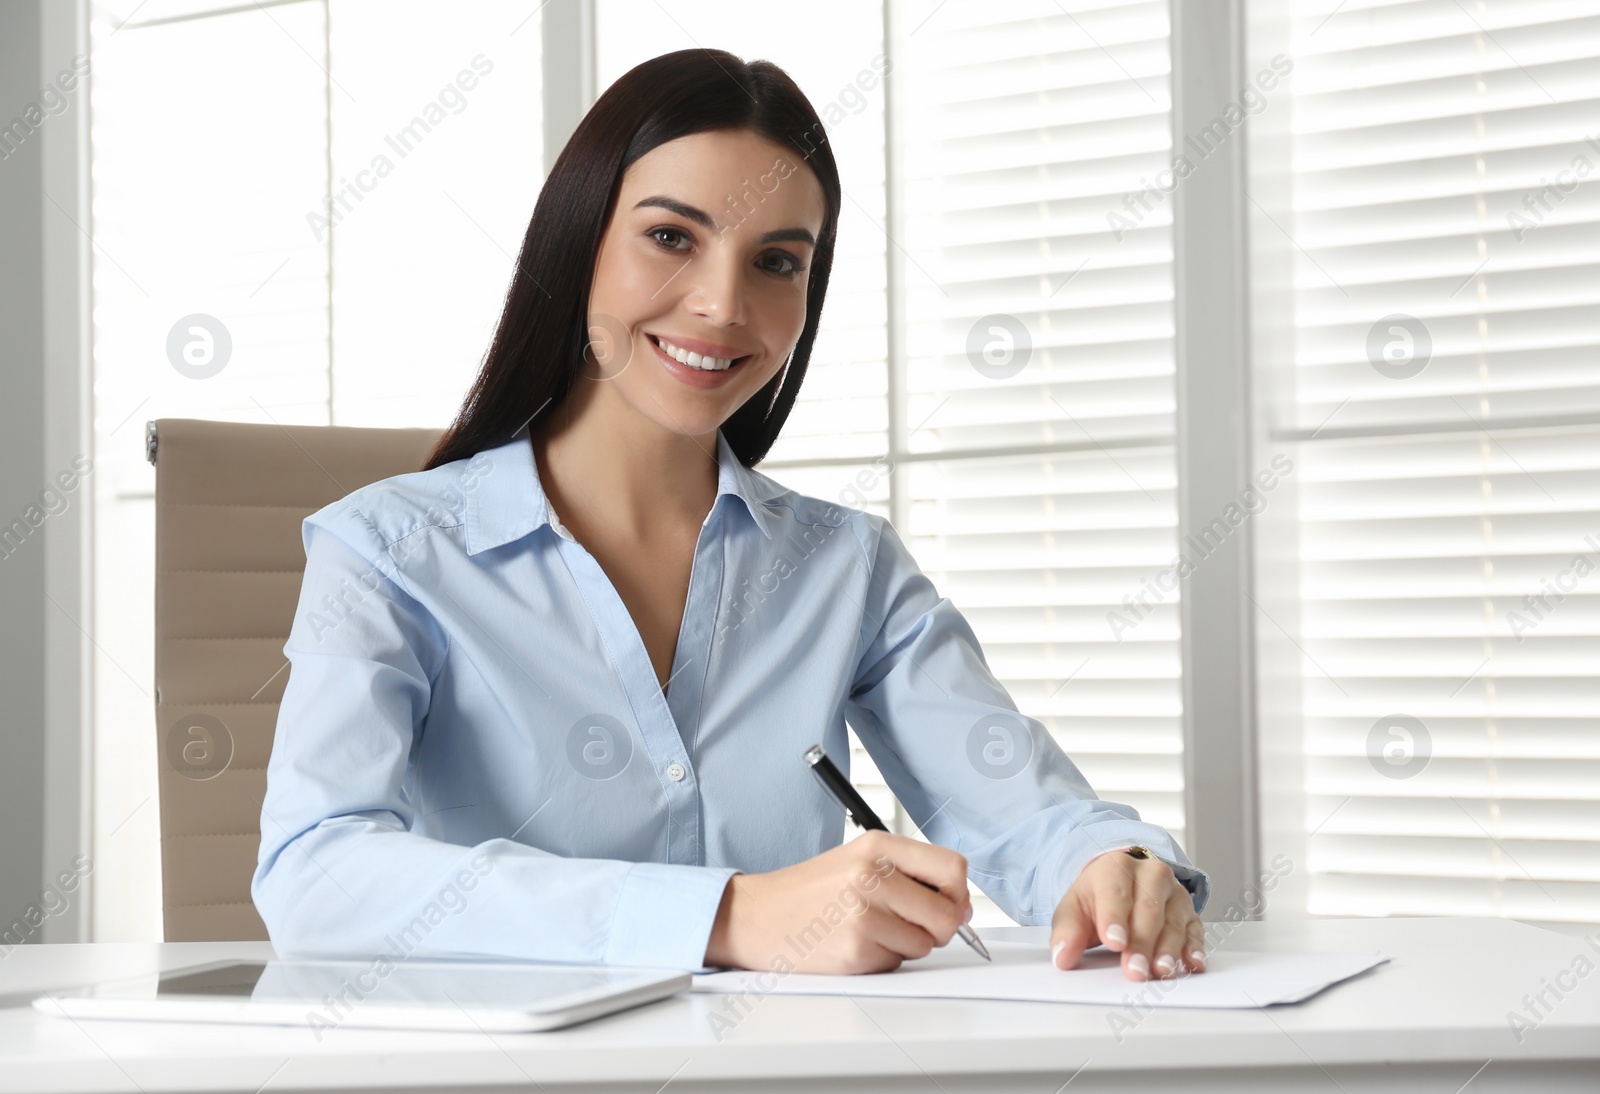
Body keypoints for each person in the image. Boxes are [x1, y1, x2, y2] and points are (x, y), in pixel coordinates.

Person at [252, 47, 1210, 984]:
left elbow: (1020, 807)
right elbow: (314, 874)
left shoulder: (848, 567)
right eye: (671, 237)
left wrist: (1108, 865)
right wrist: (728, 917)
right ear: (580, 242)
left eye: (777, 261)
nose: (722, 303)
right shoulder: (388, 552)